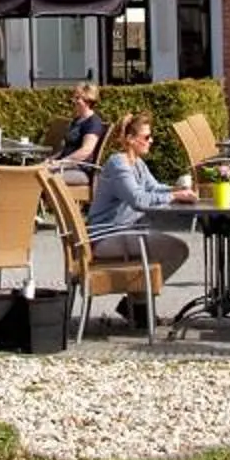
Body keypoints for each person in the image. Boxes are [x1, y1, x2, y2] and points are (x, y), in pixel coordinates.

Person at [83, 111, 192, 325]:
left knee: (174, 249)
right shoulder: (118, 164)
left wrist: (179, 190)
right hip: (106, 236)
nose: (150, 141)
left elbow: (154, 187)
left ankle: (137, 304)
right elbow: (138, 200)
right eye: (146, 137)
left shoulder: (138, 164)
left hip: (125, 232)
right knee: (177, 250)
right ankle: (138, 305)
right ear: (131, 140)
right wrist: (175, 196)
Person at [43, 82, 106, 184]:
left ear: (88, 101)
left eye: (77, 98)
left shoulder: (93, 122)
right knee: (37, 171)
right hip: (67, 166)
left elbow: (86, 150)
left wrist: (61, 163)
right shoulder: (77, 120)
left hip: (81, 170)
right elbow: (66, 148)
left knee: (44, 177)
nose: (74, 101)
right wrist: (51, 160)